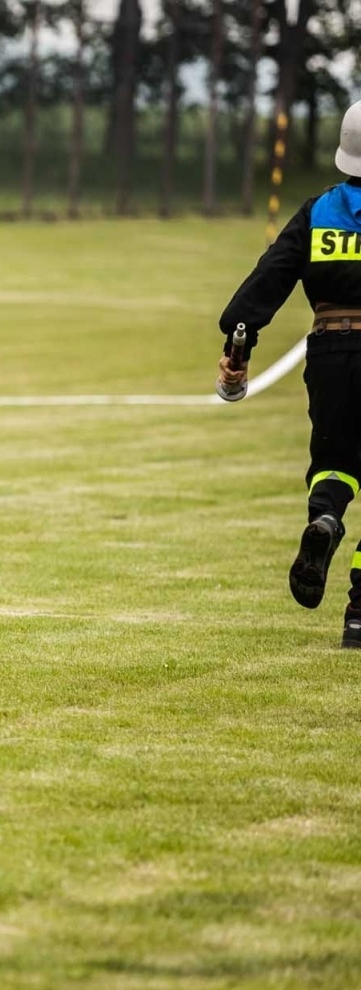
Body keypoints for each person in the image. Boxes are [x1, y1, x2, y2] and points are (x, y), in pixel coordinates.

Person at [218, 98, 361, 648]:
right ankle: (359, 618)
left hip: (329, 356)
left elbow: (269, 278)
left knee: (334, 464)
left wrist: (240, 338)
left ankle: (325, 520)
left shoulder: (317, 211)